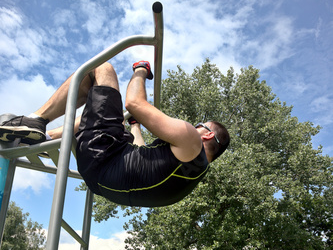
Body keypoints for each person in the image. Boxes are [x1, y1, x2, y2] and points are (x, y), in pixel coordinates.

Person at [0, 61, 230, 207]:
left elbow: (134, 102)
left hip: (104, 157)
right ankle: (48, 138)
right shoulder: (193, 172)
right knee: (106, 113)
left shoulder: (191, 140)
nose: (195, 125)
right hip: (103, 180)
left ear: (208, 135)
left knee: (101, 70)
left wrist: (141, 70)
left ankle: (36, 121)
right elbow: (140, 152)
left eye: (200, 124)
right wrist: (135, 127)